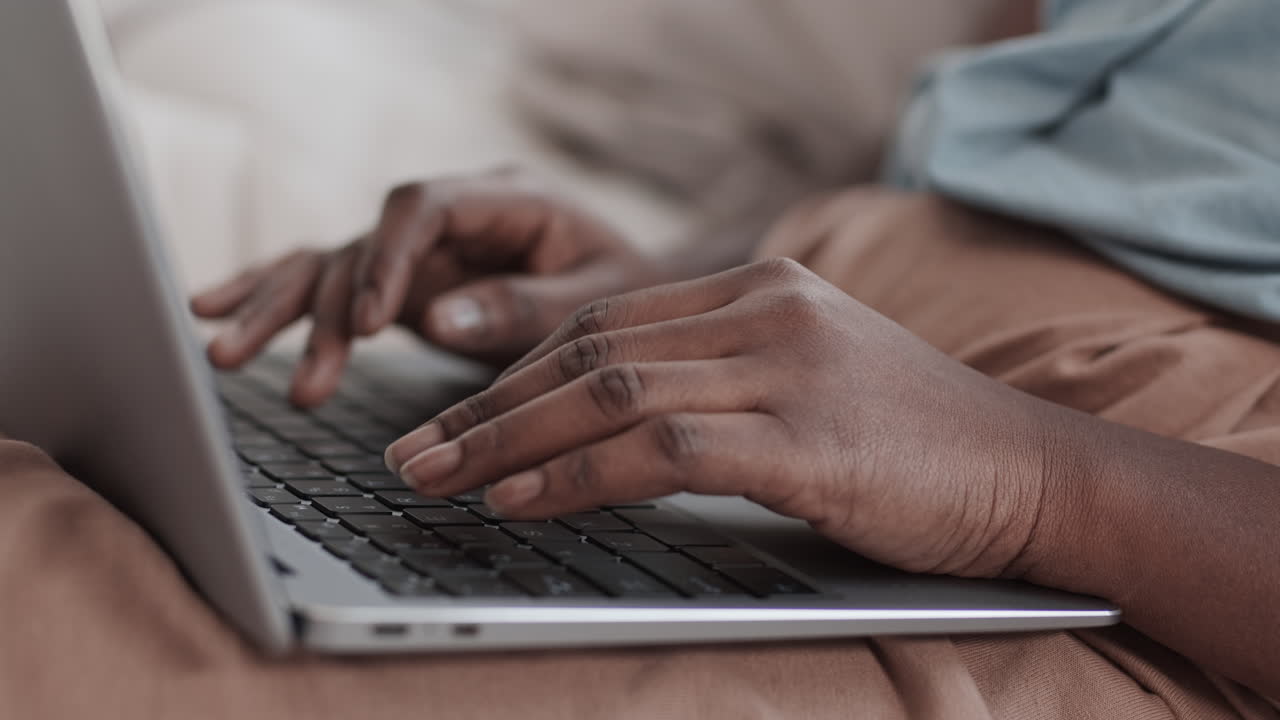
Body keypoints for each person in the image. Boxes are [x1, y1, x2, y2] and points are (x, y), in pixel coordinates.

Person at [4, 0, 1277, 717]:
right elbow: (1062, 164)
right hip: (850, 358)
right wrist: (651, 293)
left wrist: (1034, 482)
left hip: (1148, 544)